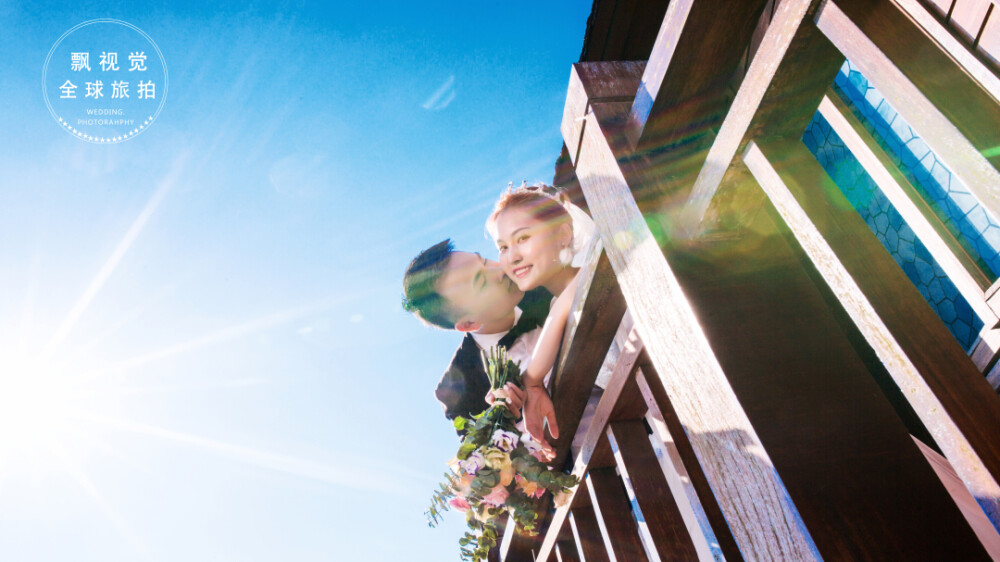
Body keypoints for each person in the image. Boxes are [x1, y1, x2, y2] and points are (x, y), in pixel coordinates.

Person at [401, 240, 551, 426]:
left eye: (485, 261)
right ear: (469, 323)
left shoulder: (542, 277)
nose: (500, 270)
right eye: (481, 282)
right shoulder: (458, 394)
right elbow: (486, 452)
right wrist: (504, 422)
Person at [488, 186, 583, 459]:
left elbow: (586, 280)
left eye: (523, 238)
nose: (512, 257)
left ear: (563, 234)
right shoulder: (555, 308)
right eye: (503, 247)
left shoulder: (599, 261)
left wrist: (533, 378)